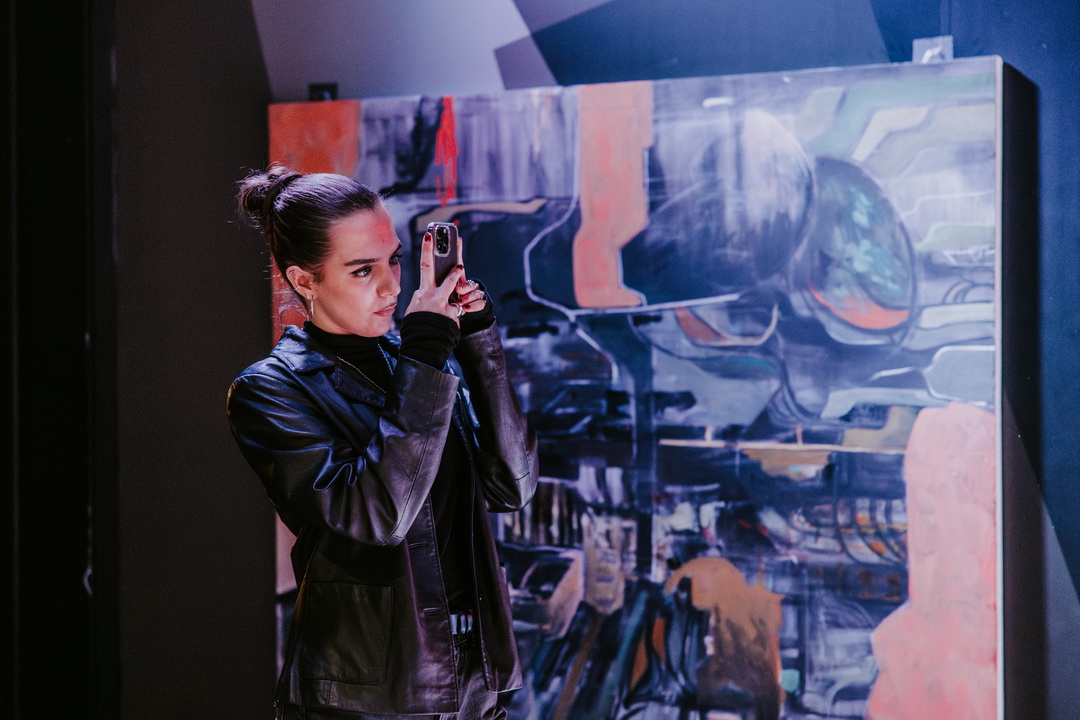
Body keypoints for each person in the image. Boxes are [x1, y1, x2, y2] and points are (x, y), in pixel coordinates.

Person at [227, 165, 538, 720]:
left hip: (474, 681)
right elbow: (379, 517)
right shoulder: (270, 390)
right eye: (362, 270)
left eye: (393, 260)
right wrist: (425, 355)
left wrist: (479, 343)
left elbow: (511, 487)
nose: (392, 286)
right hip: (367, 698)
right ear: (304, 280)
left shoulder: (419, 362)